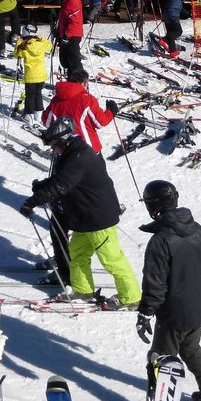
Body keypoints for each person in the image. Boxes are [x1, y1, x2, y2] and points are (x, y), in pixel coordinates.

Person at [18, 120, 139, 310]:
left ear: (64, 140)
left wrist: (33, 201)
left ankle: (131, 297)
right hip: (85, 216)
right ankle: (83, 290)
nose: (53, 149)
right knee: (78, 253)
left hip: (99, 217)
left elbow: (62, 185)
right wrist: (42, 186)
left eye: (54, 145)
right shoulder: (72, 152)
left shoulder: (79, 156)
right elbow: (62, 179)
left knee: (112, 259)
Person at [133, 180, 201, 401]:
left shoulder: (160, 241)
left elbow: (155, 285)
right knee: (191, 349)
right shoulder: (197, 229)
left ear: (153, 207)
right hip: (199, 307)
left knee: (161, 361)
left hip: (174, 315)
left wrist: (145, 313)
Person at [42, 69, 111, 153]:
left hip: (63, 149)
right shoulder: (87, 99)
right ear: (84, 83)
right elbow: (100, 122)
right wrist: (111, 111)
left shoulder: (56, 100)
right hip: (87, 149)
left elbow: (47, 122)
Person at [55, 0, 87, 81]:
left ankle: (80, 83)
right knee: (65, 61)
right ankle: (71, 81)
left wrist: (67, 36)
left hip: (72, 35)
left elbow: (75, 21)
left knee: (74, 61)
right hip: (65, 33)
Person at [16, 25, 53, 114]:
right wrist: (41, 38)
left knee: (30, 96)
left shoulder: (24, 46)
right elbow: (49, 46)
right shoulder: (41, 44)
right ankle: (38, 113)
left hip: (30, 76)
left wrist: (18, 42)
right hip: (41, 76)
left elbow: (17, 54)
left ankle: (29, 114)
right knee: (38, 94)